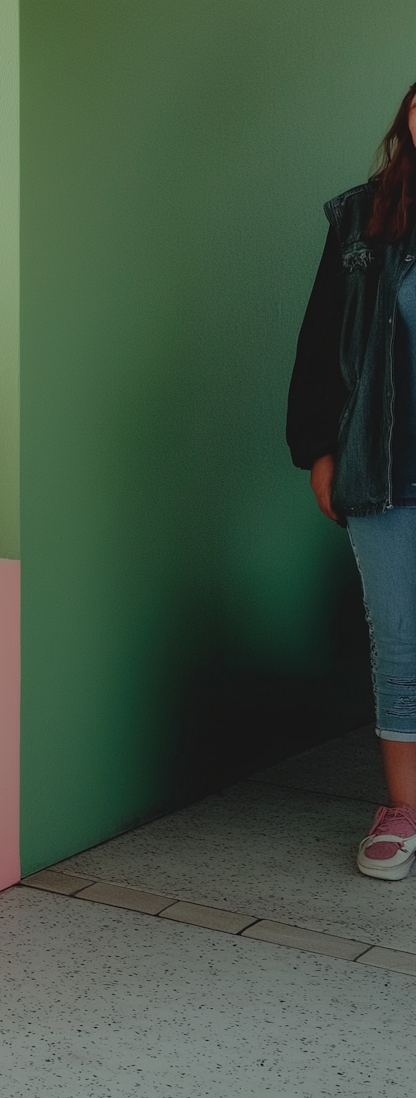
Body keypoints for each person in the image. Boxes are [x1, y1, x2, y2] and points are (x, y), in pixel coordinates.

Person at [288, 80, 416, 881]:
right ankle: (402, 813)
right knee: (401, 645)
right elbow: (317, 341)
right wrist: (317, 449)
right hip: (384, 465)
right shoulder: (362, 218)